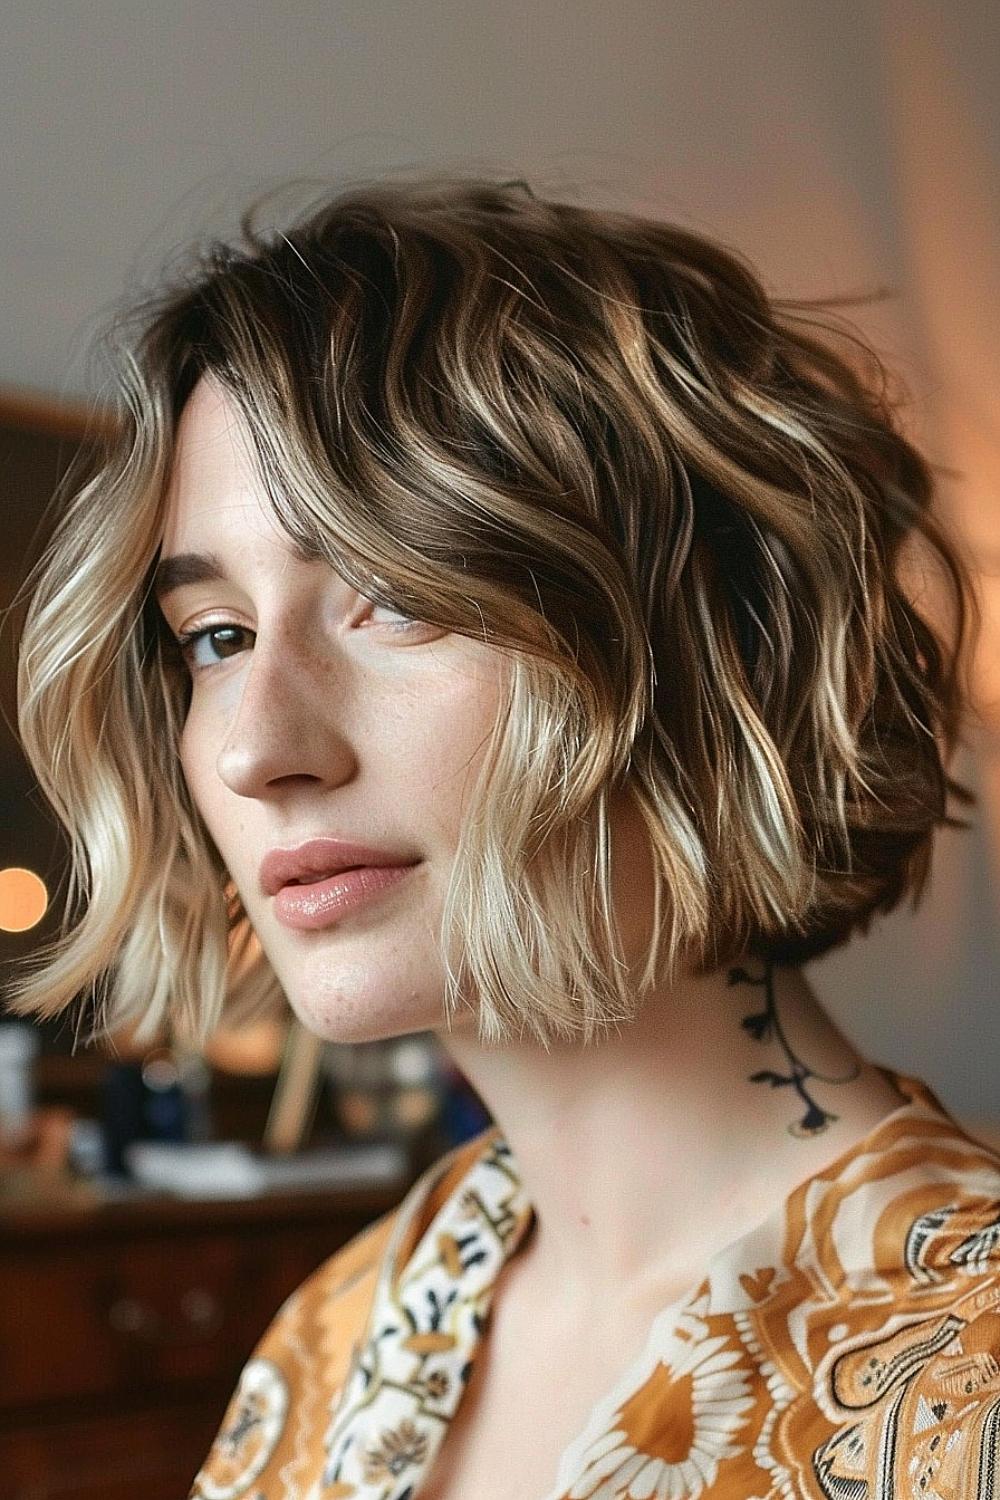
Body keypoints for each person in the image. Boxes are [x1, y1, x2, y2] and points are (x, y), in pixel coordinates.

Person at [15, 179, 1000, 1500]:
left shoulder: (966, 1381)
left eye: (396, 599)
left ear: (721, 646)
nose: (256, 748)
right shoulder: (331, 1343)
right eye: (217, 637)